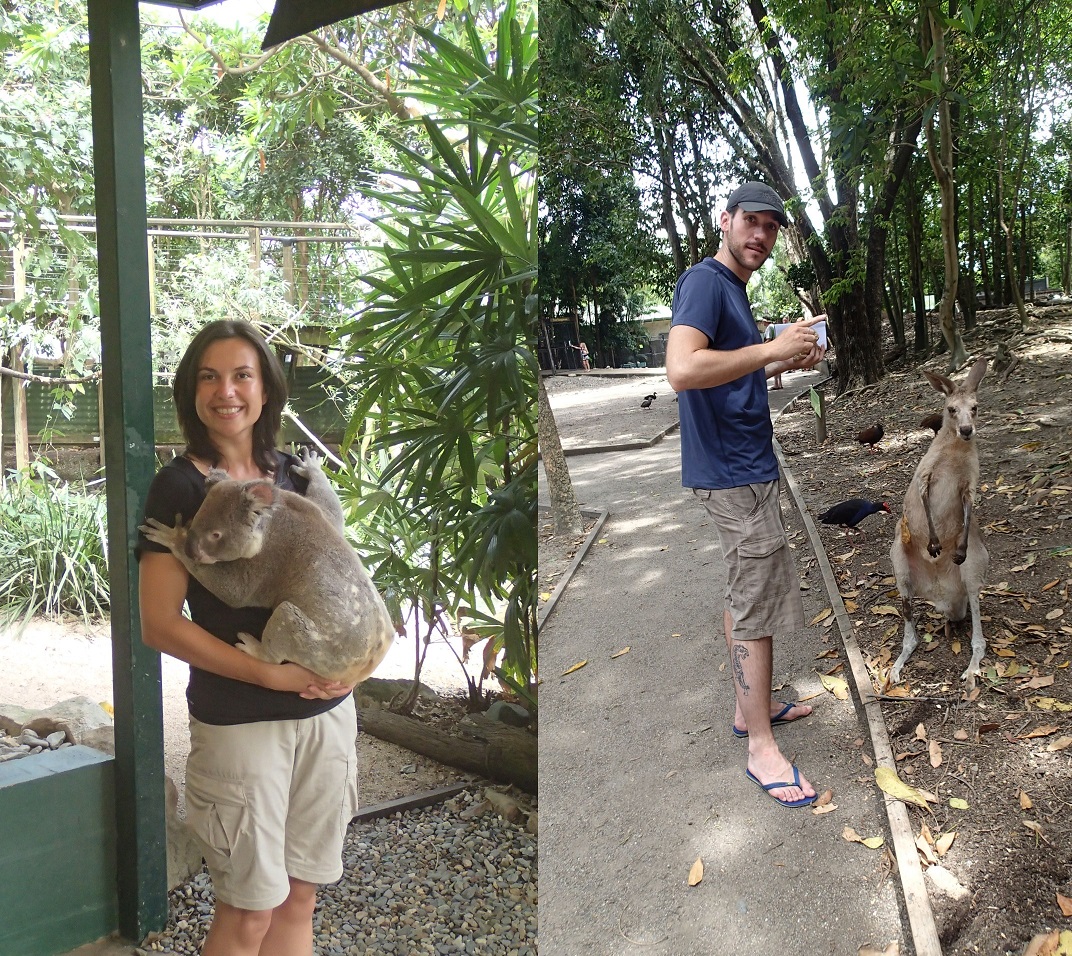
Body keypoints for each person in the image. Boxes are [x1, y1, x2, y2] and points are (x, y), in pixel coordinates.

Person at [136, 319, 357, 955]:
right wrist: (267, 672)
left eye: (241, 375)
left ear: (266, 391)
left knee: (298, 900)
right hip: (242, 721)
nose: (225, 391)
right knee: (247, 915)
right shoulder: (180, 488)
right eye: (209, 376)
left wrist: (360, 664)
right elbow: (159, 622)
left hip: (327, 712)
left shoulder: (297, 477)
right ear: (190, 391)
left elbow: (344, 576)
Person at [665, 181, 826, 809]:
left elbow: (724, 373)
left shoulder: (731, 289)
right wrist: (770, 347)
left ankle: (746, 710)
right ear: (725, 221)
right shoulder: (706, 281)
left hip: (744, 468)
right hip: (734, 475)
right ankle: (761, 748)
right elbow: (682, 370)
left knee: (743, 591)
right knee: (756, 604)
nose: (760, 234)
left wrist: (779, 359)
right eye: (749, 221)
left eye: (771, 227)